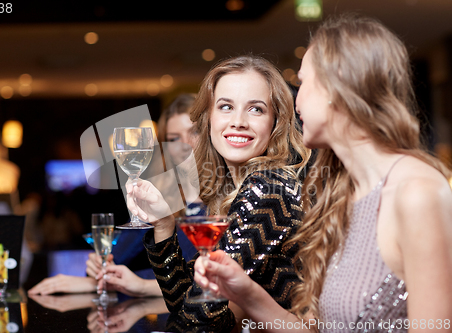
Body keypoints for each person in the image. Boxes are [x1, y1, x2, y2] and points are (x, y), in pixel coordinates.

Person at [193, 14, 452, 332]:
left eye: (304, 83)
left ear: (338, 89)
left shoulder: (416, 192)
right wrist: (247, 294)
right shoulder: (341, 195)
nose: (295, 99)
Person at [112, 54, 310, 327]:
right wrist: (164, 226)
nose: (238, 121)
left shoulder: (268, 188)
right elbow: (188, 303)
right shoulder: (234, 188)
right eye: (226, 106)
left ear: (276, 122)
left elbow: (199, 322)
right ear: (208, 119)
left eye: (256, 109)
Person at [28, 94, 204, 296]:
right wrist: (100, 268)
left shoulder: (230, 198)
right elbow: (119, 256)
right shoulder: (160, 195)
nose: (185, 144)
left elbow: (210, 279)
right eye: (174, 138)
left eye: (195, 132)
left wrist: (141, 285)